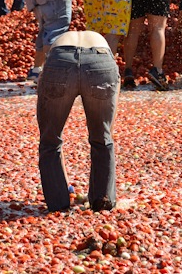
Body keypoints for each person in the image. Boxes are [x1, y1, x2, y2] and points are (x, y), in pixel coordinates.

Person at [37, 30, 120, 213]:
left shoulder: (60, 40)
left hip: (60, 60)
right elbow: (109, 128)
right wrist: (106, 132)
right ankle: (103, 201)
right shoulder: (101, 41)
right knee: (103, 139)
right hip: (101, 60)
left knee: (50, 140)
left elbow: (42, 80)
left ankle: (59, 203)